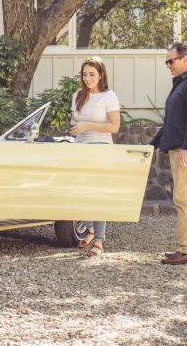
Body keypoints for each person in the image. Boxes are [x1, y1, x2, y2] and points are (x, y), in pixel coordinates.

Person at [151, 43, 187, 265]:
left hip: (186, 150)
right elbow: (171, 122)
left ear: (185, 59)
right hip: (180, 147)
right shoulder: (181, 83)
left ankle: (185, 251)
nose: (168, 65)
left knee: (182, 198)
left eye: (171, 61)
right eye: (166, 61)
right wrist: (152, 145)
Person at [69, 56, 121, 258]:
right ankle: (90, 229)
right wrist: (75, 128)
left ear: (101, 75)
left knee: (97, 195)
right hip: (80, 148)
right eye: (85, 74)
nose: (88, 78)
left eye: (92, 74)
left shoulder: (109, 97)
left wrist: (87, 125)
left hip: (101, 149)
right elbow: (75, 121)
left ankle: (99, 241)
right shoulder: (78, 95)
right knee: (76, 192)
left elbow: (114, 127)